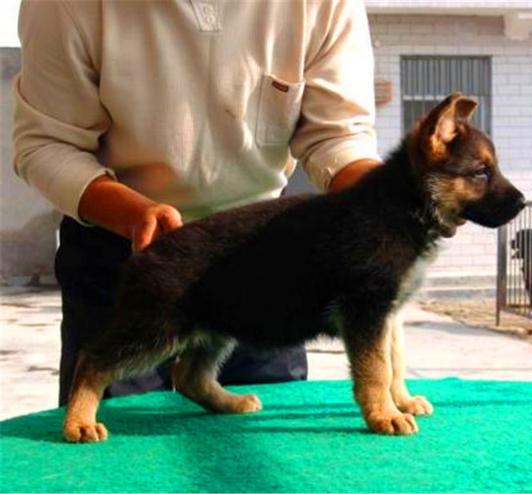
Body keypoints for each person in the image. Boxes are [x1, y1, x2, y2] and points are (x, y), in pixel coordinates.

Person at [13, 0, 381, 406]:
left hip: (263, 250)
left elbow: (338, 135)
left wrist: (389, 201)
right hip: (123, 247)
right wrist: (131, 213)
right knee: (113, 436)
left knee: (266, 432)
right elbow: (48, 143)